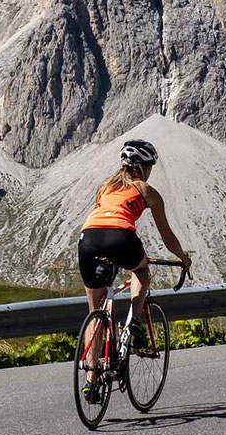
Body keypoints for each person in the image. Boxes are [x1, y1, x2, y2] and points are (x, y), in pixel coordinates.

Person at [77, 138, 191, 394]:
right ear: (143, 168)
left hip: (88, 239)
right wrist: (183, 257)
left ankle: (92, 380)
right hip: (121, 236)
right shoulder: (146, 190)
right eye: (150, 166)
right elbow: (167, 236)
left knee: (94, 310)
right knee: (140, 269)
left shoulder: (104, 187)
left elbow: (102, 217)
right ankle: (135, 321)